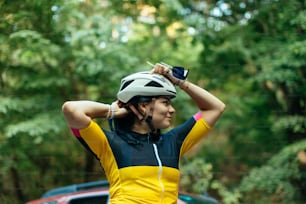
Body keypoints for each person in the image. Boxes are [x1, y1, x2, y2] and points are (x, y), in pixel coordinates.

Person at [62, 63, 225, 204]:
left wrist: (179, 81)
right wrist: (113, 110)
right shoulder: (112, 144)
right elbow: (72, 110)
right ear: (142, 106)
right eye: (165, 103)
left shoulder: (173, 142)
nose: (172, 110)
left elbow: (215, 108)